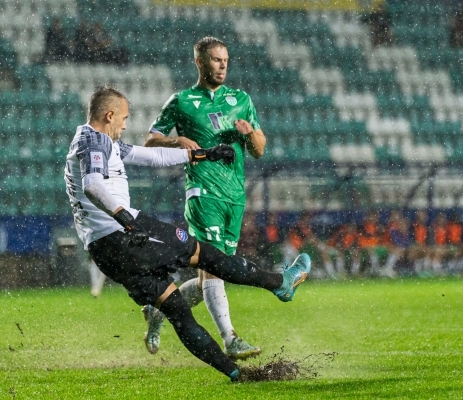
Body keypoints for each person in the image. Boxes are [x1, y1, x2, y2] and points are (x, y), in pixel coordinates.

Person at [65, 85, 311, 381]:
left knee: (178, 312)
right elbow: (92, 185)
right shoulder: (94, 140)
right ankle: (280, 283)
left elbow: (152, 157)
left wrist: (202, 154)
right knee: (206, 255)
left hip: (104, 250)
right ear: (110, 115)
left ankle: (237, 374)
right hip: (123, 232)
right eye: (125, 118)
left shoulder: (101, 143)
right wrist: (126, 219)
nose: (126, 124)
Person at [143, 36, 267, 359]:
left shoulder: (241, 100)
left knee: (210, 277)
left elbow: (259, 149)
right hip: (203, 194)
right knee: (212, 270)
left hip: (234, 197)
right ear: (199, 62)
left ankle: (158, 312)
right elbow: (150, 140)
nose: (223, 65)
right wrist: (176, 141)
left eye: (225, 59)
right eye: (216, 59)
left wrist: (249, 134)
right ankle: (230, 339)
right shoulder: (182, 101)